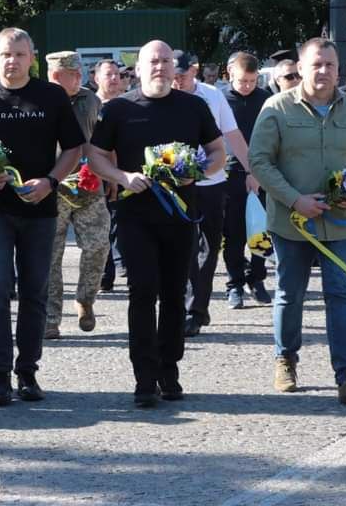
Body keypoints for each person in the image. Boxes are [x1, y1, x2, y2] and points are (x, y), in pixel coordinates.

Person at [88, 41, 225, 407]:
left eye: (166, 61)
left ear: (175, 68)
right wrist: (121, 175)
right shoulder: (119, 109)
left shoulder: (194, 106)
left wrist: (197, 172)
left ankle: (170, 369)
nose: (160, 68)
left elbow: (217, 152)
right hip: (135, 217)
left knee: (175, 293)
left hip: (180, 215)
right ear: (139, 67)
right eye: (153, 61)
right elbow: (96, 155)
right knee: (143, 291)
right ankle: (144, 377)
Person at [0, 28, 83, 406]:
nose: (13, 61)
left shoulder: (52, 95)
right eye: (6, 54)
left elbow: (73, 147)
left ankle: (27, 371)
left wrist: (52, 180)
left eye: (20, 54)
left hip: (40, 208)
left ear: (32, 58)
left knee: (34, 289)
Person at [249, 38, 346, 404]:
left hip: (341, 223)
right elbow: (260, 161)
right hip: (291, 223)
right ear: (302, 68)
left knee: (341, 295)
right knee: (289, 295)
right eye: (316, 64)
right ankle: (286, 358)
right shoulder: (276, 108)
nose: (323, 71)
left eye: (330, 64)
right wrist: (296, 199)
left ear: (339, 69)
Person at [172, 51, 253, 337]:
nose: (176, 80)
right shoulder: (165, 98)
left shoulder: (212, 96)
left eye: (181, 75)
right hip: (177, 185)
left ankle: (198, 307)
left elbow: (232, 135)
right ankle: (187, 308)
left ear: (193, 71)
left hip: (212, 182)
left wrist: (251, 171)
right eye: (173, 75)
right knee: (185, 248)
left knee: (209, 247)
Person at [45, 51, 110, 338]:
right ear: (56, 76)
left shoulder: (90, 99)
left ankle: (85, 299)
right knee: (50, 255)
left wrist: (111, 174)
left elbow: (103, 140)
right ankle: (50, 318)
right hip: (53, 184)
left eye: (81, 73)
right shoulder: (39, 99)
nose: (80, 79)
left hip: (88, 183)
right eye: (74, 74)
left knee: (98, 245)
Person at [221, 52, 272, 309]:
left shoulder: (265, 99)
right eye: (242, 81)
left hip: (262, 173)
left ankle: (257, 278)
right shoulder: (221, 99)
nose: (247, 86)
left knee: (261, 229)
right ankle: (235, 284)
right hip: (230, 174)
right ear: (231, 74)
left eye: (252, 81)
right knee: (234, 233)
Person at [93, 60, 126, 293]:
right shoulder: (91, 106)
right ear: (96, 78)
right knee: (103, 225)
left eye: (117, 74)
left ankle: (125, 264)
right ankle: (106, 274)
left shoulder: (129, 103)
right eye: (108, 74)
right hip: (102, 172)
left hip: (130, 172)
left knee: (125, 224)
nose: (114, 78)